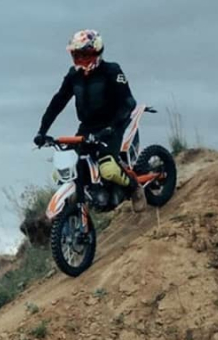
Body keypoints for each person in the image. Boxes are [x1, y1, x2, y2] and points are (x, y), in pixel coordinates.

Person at [33, 29, 146, 212]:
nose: (79, 59)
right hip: (87, 127)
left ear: (96, 52)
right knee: (68, 166)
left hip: (113, 125)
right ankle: (81, 199)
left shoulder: (111, 71)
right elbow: (58, 102)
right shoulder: (74, 75)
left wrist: (112, 128)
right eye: (76, 55)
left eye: (83, 55)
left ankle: (134, 188)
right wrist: (42, 131)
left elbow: (128, 102)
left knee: (108, 169)